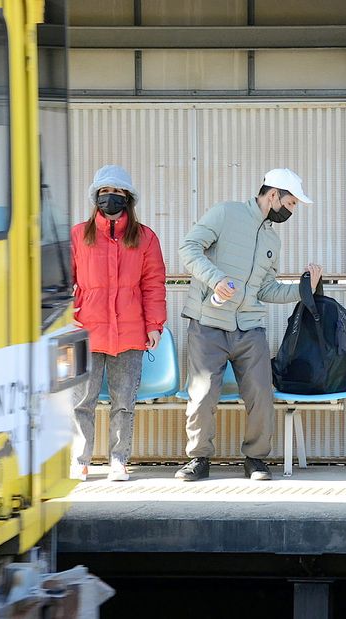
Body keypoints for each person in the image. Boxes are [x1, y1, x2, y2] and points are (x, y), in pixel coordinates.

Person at [176, 168, 322, 481]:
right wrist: (216, 280)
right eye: (292, 203)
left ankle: (255, 459)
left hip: (250, 327)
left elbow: (266, 289)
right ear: (274, 195)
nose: (292, 210)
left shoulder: (272, 240)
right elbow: (188, 248)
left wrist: (303, 288)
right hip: (207, 323)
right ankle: (199, 459)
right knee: (202, 395)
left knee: (261, 394)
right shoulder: (225, 213)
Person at [70, 165, 167, 482]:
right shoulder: (77, 235)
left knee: (123, 403)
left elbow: (153, 285)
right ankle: (80, 459)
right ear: (96, 197)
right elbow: (62, 283)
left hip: (129, 332)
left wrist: (154, 325)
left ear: (128, 199)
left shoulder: (145, 238)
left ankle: (118, 459)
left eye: (117, 193)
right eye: (104, 192)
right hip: (86, 332)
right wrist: (69, 316)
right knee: (82, 401)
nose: (110, 198)